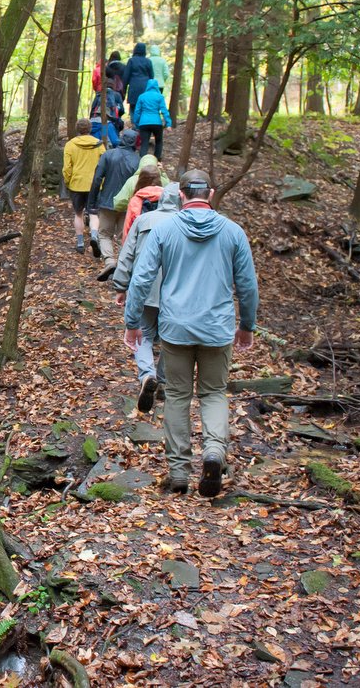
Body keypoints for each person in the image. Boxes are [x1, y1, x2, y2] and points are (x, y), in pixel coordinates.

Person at [124, 170, 259, 497]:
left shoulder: (163, 229)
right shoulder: (233, 232)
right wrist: (247, 325)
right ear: (209, 193)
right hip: (217, 329)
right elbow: (248, 285)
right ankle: (213, 452)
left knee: (179, 396)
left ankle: (179, 471)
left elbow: (142, 279)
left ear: (181, 194)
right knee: (213, 393)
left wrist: (132, 321)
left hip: (175, 329)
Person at [112, 182, 181, 412]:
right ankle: (161, 380)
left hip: (145, 288)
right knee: (171, 338)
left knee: (144, 334)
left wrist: (121, 286)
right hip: (176, 291)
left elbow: (127, 255)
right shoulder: (186, 225)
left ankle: (147, 374)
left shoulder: (143, 220)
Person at [87, 129, 140, 276]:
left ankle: (110, 261)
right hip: (128, 205)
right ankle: (123, 267)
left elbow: (97, 178)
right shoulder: (138, 160)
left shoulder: (108, 155)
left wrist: (91, 202)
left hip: (107, 203)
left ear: (122, 139)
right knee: (125, 236)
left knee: (104, 234)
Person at [62, 119, 106, 253]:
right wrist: (102, 181)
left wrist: (68, 181)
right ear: (90, 128)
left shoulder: (70, 145)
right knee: (93, 214)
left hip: (76, 184)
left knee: (78, 213)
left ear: (77, 129)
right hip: (94, 184)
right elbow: (104, 165)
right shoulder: (99, 145)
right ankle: (94, 235)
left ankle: (80, 243)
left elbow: (67, 168)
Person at [132, 78, 172, 158]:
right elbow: (164, 111)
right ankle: (157, 160)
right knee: (159, 141)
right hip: (157, 122)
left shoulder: (142, 97)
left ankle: (142, 161)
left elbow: (137, 112)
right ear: (157, 86)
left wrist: (136, 123)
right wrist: (168, 124)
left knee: (144, 143)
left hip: (144, 123)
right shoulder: (160, 97)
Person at [122, 167, 163, 240]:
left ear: (140, 180)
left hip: (140, 242)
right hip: (161, 242)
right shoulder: (168, 198)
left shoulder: (136, 200)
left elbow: (128, 228)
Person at [123, 42, 155, 116]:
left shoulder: (131, 61)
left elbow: (126, 76)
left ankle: (135, 124)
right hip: (145, 87)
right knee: (144, 106)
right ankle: (143, 124)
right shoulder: (148, 61)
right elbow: (151, 77)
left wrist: (124, 88)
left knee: (133, 107)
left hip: (134, 87)